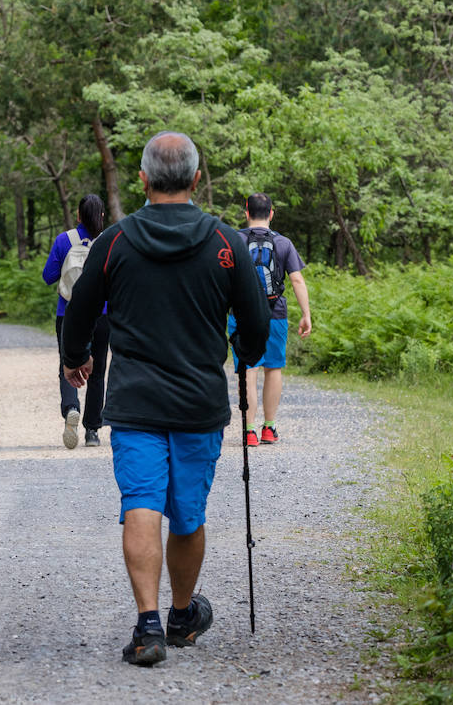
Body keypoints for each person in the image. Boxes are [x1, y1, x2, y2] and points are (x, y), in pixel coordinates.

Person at [62, 132, 269, 667]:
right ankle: (181, 615)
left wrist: (76, 357)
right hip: (199, 403)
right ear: (196, 179)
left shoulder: (115, 241)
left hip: (135, 404)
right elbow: (256, 321)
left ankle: (148, 625)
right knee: (187, 516)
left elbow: (79, 308)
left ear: (143, 178)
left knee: (140, 506)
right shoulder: (226, 243)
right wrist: (244, 352)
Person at [234, 193, 312, 447]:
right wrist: (306, 314)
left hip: (241, 313)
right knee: (273, 367)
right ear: (271, 213)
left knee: (249, 369)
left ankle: (249, 430)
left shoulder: (233, 240)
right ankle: (269, 427)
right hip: (275, 312)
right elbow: (297, 279)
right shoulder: (284, 243)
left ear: (246, 212)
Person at [41, 194, 110, 448]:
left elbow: (48, 276)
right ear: (102, 216)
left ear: (78, 215)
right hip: (102, 315)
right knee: (98, 371)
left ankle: (71, 407)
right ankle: (92, 430)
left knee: (67, 366)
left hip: (67, 313)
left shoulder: (64, 240)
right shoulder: (109, 241)